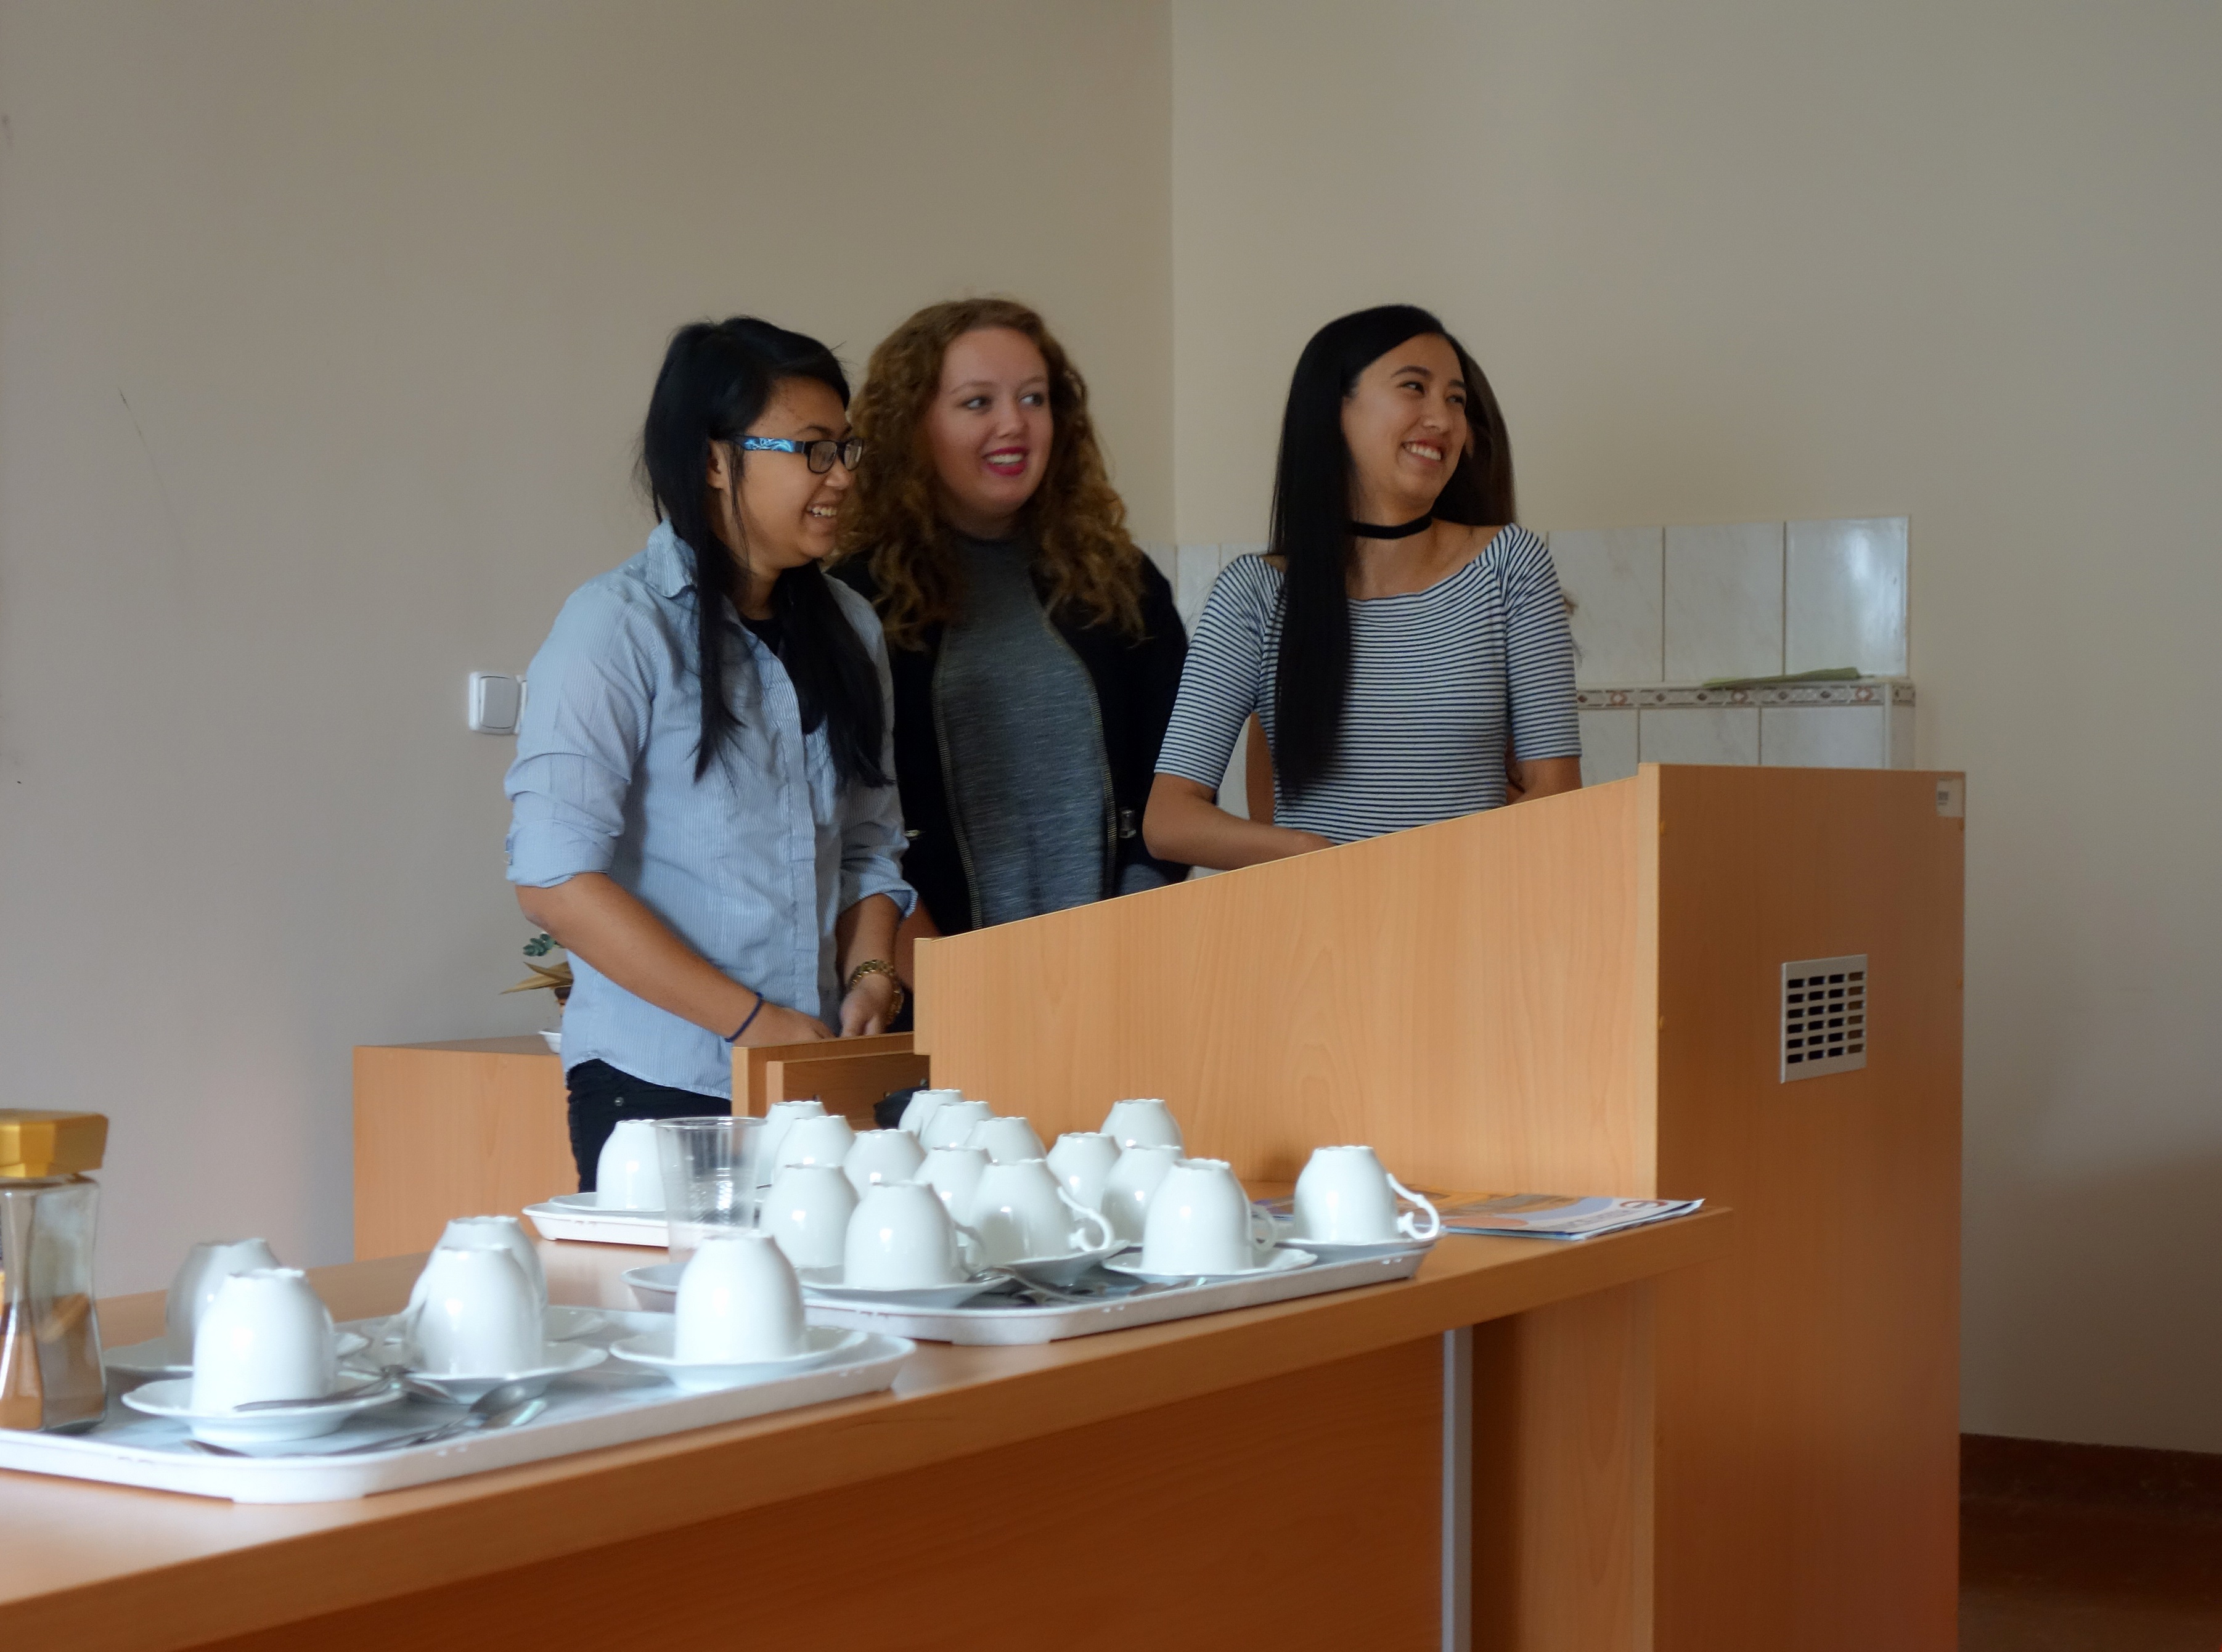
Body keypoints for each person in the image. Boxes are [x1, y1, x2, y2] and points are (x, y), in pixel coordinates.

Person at [505, 317, 913, 1187]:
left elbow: (871, 845)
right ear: (715, 461)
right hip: (659, 1084)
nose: (842, 476)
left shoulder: (851, 628)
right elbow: (554, 880)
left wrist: (873, 973)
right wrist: (751, 1022)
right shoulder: (615, 626)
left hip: (813, 1078)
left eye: (846, 448)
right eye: (812, 450)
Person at [1145, 304, 1580, 869]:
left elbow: (1556, 794)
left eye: (1455, 399)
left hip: (1475, 912)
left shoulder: (1511, 565)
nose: (1443, 419)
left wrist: (1440, 876)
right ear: (1335, 410)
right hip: (1323, 919)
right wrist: (1315, 855)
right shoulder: (1253, 595)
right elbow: (1169, 819)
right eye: (1413, 387)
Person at [835, 297, 1187, 985]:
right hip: (938, 994)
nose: (1014, 424)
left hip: (1117, 977)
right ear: (913, 426)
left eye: (1034, 398)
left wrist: (1123, 948)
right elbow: (857, 838)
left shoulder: (1121, 582)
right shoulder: (853, 602)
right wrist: (955, 991)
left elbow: (1171, 784)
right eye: (977, 403)